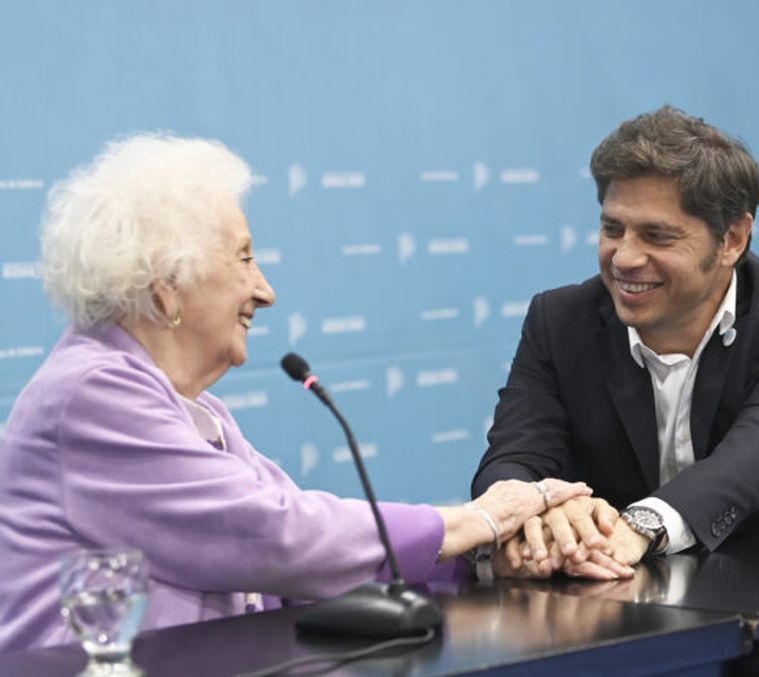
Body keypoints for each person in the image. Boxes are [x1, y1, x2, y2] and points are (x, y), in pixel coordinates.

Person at [0, 134, 594, 653]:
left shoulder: (196, 412)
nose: (265, 291)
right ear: (167, 287)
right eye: (244, 258)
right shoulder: (94, 395)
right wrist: (479, 521)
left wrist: (487, 557)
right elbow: (274, 537)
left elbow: (315, 559)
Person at [472, 105, 759, 572]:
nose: (624, 258)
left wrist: (641, 527)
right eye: (613, 229)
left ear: (732, 239)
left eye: (657, 236)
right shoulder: (559, 319)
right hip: (599, 582)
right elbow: (514, 455)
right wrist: (537, 511)